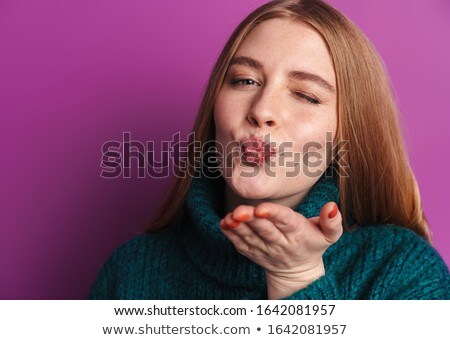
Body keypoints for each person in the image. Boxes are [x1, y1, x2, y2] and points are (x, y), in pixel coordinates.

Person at [89, 0, 450, 299]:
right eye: (245, 81)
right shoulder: (128, 272)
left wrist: (297, 278)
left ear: (348, 134)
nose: (261, 111)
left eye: (306, 95)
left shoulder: (406, 274)